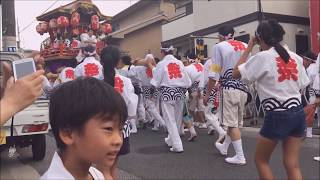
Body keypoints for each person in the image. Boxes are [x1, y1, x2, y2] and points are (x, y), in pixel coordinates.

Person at [232, 19, 310, 179]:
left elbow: (235, 73)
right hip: (298, 112)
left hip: (277, 114)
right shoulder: (295, 57)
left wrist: (249, 47)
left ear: (259, 38)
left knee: (261, 160)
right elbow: (303, 84)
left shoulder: (262, 57)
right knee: (292, 163)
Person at [42, 77, 126, 180]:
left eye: (121, 129)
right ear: (68, 134)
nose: (118, 140)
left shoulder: (96, 174)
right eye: (108, 128)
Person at [204, 24, 248, 165]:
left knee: (231, 124)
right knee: (236, 123)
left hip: (228, 88)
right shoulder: (245, 45)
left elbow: (214, 73)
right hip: (243, 88)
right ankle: (224, 147)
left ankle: (240, 156)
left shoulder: (219, 47)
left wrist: (207, 94)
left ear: (221, 35)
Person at [99, 46, 138, 179]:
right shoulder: (126, 81)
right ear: (118, 61)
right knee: (113, 166)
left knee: (102, 169)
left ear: (101, 61)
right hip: (121, 128)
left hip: (101, 128)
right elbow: (132, 105)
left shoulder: (96, 82)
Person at [148, 45, 192, 153]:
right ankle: (171, 140)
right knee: (177, 119)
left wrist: (151, 95)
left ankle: (177, 145)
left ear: (162, 52)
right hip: (180, 92)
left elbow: (155, 82)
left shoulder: (162, 64)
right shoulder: (180, 63)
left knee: (170, 120)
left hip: (167, 92)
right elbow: (188, 81)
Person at [127, 54, 166, 131]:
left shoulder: (138, 68)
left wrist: (133, 65)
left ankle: (163, 123)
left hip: (147, 88)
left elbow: (129, 74)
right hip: (157, 88)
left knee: (150, 107)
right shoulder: (156, 68)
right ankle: (156, 126)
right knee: (156, 106)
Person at [199, 58, 226, 141]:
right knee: (217, 111)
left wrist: (201, 88)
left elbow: (209, 77)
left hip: (211, 88)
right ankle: (213, 127)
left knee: (208, 112)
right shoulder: (224, 60)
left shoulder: (212, 62)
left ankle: (221, 131)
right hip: (223, 88)